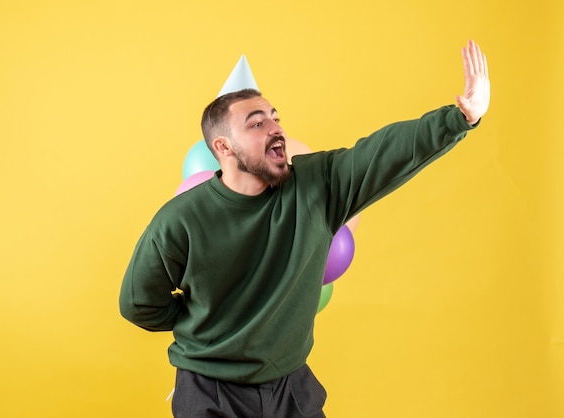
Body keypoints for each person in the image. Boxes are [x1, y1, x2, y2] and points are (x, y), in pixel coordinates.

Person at [119, 40, 490, 417]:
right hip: (209, 393)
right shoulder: (179, 219)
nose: (276, 129)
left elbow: (382, 152)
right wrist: (205, 332)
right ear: (223, 147)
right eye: (257, 123)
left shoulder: (317, 185)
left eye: (275, 117)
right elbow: (139, 304)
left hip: (290, 389)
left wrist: (460, 118)